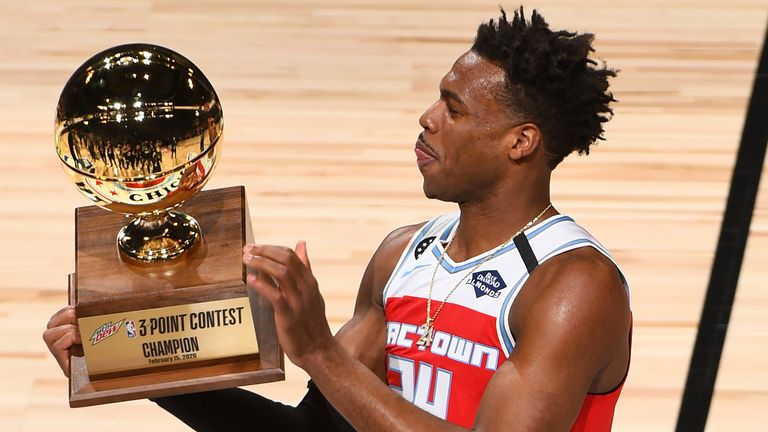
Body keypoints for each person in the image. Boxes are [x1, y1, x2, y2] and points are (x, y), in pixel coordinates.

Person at [44, 7, 631, 431]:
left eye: (454, 109)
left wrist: (321, 352)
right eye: (437, 99)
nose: (427, 118)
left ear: (520, 142)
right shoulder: (401, 257)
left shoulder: (572, 287)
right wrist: (127, 364)